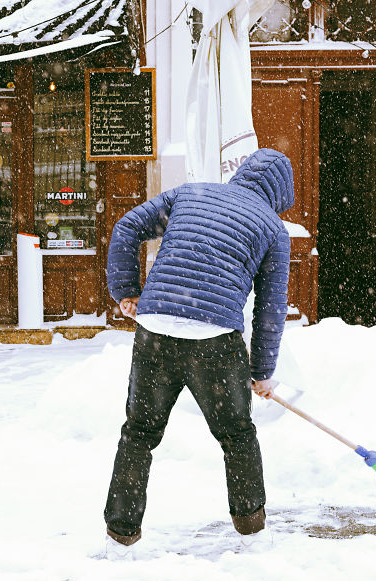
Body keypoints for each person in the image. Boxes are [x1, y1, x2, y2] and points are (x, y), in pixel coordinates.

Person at [103, 148, 294, 550]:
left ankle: (120, 535)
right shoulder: (273, 229)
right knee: (238, 436)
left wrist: (126, 292)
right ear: (279, 195)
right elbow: (270, 309)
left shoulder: (192, 194)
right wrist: (261, 370)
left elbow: (125, 227)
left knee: (138, 433)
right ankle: (251, 532)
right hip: (214, 341)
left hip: (154, 329)